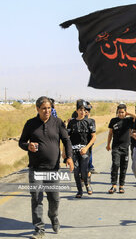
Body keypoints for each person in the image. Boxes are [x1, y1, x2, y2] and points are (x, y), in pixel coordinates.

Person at [19, 96, 74, 239]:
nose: (47, 111)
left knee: (54, 199)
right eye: (44, 108)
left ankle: (53, 217)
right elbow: (21, 142)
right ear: (37, 109)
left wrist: (69, 157)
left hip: (53, 169)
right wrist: (28, 146)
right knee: (36, 198)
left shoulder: (58, 122)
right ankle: (39, 229)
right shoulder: (30, 124)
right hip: (36, 168)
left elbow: (66, 140)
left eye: (49, 108)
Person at [67, 99, 96, 198]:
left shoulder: (90, 122)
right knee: (75, 171)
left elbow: (94, 137)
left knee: (84, 171)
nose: (82, 112)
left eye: (84, 110)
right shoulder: (71, 123)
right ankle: (79, 191)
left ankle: (87, 184)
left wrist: (86, 148)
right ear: (76, 111)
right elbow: (67, 138)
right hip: (74, 150)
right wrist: (65, 152)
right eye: (80, 110)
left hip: (85, 149)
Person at [106, 104, 136, 194]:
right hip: (116, 147)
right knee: (115, 164)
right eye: (119, 112)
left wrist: (129, 113)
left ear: (125, 112)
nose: (121, 114)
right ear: (117, 112)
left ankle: (121, 186)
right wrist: (108, 144)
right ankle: (113, 185)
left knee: (124, 167)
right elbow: (110, 133)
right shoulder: (113, 121)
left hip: (125, 148)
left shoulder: (129, 120)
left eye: (123, 112)